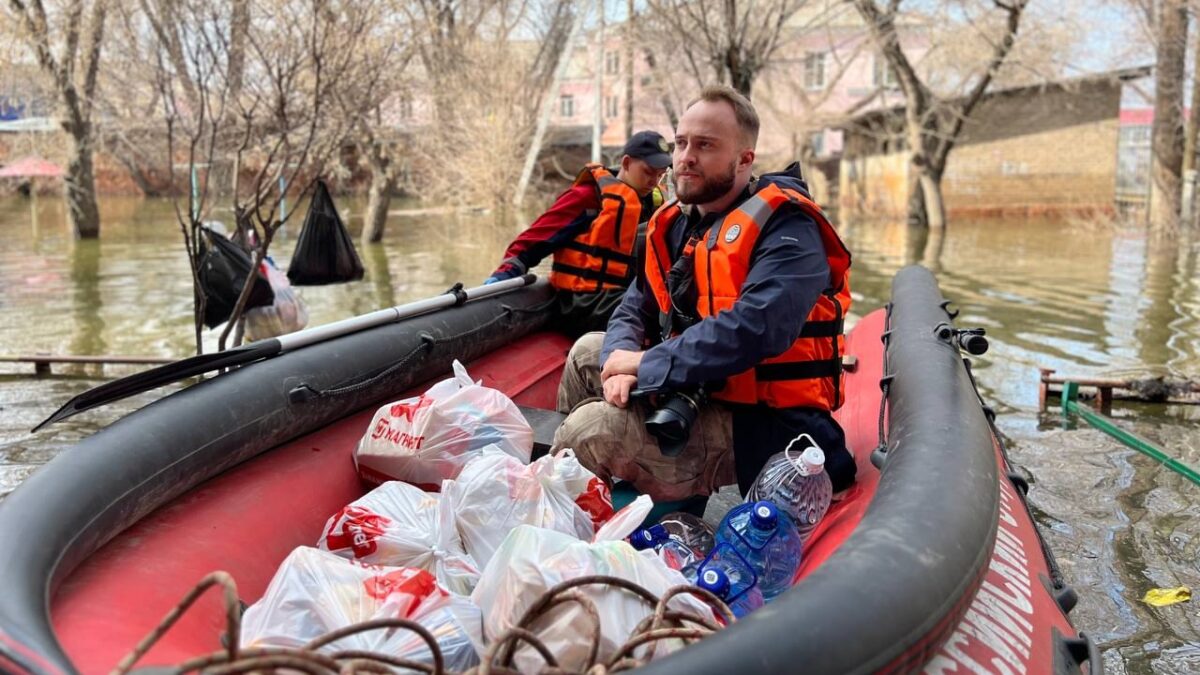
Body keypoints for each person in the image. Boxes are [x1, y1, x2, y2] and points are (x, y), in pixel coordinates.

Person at [550, 85, 856, 511]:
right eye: (681, 143)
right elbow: (633, 304)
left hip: (764, 424)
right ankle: (595, 493)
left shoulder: (789, 228)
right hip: (698, 389)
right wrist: (619, 356)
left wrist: (645, 364)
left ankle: (562, 536)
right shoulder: (677, 223)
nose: (685, 157)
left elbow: (759, 327)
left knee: (591, 429)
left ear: (745, 159)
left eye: (705, 145)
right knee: (588, 351)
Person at [484, 131, 671, 336]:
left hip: (624, 295)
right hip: (584, 302)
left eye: (660, 175)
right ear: (626, 163)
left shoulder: (652, 204)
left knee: (673, 308)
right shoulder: (588, 197)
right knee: (660, 317)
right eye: (648, 172)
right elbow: (532, 241)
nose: (654, 181)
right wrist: (504, 273)